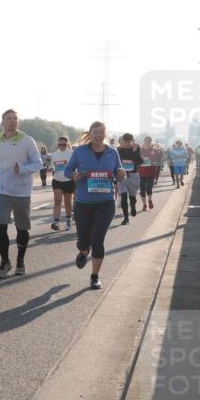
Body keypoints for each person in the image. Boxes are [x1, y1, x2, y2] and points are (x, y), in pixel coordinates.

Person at [64, 121, 126, 289]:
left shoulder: (112, 152)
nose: (98, 135)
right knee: (83, 241)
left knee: (98, 240)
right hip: (83, 202)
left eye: (101, 132)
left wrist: (121, 174)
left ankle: (95, 276)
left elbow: (119, 174)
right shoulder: (79, 151)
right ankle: (84, 252)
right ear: (90, 133)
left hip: (105, 202)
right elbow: (67, 171)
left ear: (105, 134)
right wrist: (75, 175)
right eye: (95, 132)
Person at [0, 109, 43, 278]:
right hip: (1, 189)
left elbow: (38, 163)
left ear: (18, 122)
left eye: (15, 118)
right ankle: (5, 261)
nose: (12, 121)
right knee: (1, 227)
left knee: (22, 228)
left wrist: (23, 169)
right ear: (2, 122)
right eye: (8, 118)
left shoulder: (27, 140)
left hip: (21, 190)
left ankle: (20, 260)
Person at [115, 133, 143, 224]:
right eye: (125, 142)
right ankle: (126, 218)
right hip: (122, 176)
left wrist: (134, 152)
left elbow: (140, 161)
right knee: (123, 197)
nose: (127, 144)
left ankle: (133, 205)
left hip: (133, 175)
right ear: (122, 141)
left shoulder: (136, 148)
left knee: (132, 197)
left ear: (132, 141)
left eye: (129, 142)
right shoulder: (118, 149)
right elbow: (116, 161)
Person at [49, 136, 74, 231]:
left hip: (68, 180)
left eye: (64, 144)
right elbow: (52, 165)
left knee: (67, 202)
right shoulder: (54, 154)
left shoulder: (71, 154)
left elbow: (75, 166)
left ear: (67, 144)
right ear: (58, 145)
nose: (62, 146)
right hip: (57, 180)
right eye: (60, 144)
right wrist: (51, 168)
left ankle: (68, 220)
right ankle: (56, 221)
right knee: (57, 200)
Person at [138, 136, 159, 210]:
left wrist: (155, 163)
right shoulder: (139, 150)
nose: (147, 142)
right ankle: (144, 205)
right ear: (143, 141)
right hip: (141, 173)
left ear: (151, 142)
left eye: (149, 141)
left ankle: (149, 200)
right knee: (142, 190)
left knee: (149, 189)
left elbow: (159, 160)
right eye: (146, 140)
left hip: (151, 172)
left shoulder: (155, 150)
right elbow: (135, 159)